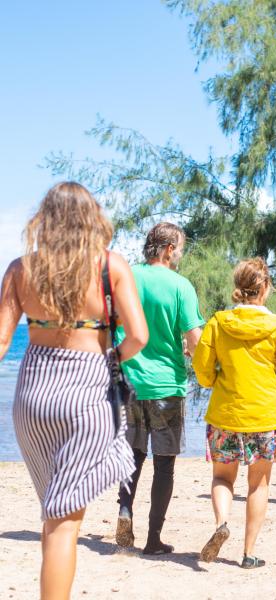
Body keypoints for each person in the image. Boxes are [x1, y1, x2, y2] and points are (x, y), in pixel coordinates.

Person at [0, 182, 148, 599]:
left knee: (53, 511)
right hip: (86, 393)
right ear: (92, 220)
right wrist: (109, 356)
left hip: (33, 398)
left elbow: (0, 342)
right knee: (64, 522)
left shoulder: (20, 269)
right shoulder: (110, 266)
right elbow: (139, 336)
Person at [193, 258, 276, 568]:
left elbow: (201, 369)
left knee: (221, 477)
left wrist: (214, 381)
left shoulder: (218, 322)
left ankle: (221, 524)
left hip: (225, 414)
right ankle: (248, 554)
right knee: (258, 484)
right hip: (266, 416)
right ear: (265, 288)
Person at [115, 222, 205, 555]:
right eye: (179, 248)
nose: (180, 254)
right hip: (167, 385)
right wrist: (207, 369)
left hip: (130, 383)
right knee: (164, 464)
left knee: (133, 456)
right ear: (168, 249)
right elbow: (195, 340)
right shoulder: (180, 286)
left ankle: (125, 510)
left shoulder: (128, 277)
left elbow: (116, 323)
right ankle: (153, 538)